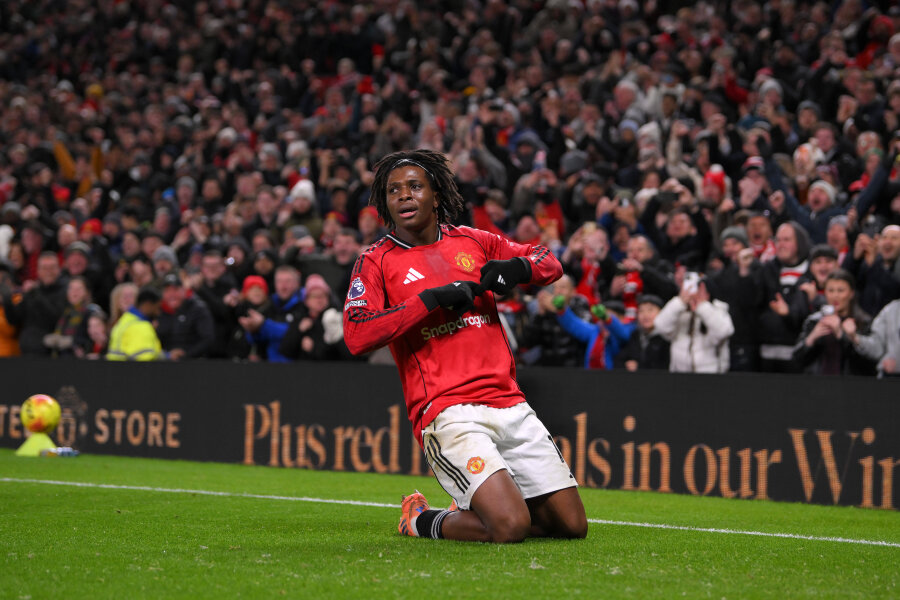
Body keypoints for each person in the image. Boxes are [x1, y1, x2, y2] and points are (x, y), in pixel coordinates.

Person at [343, 149, 586, 543]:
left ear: (436, 195)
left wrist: (518, 267)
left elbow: (549, 261)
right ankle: (420, 520)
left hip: (509, 403)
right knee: (510, 527)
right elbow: (356, 334)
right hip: (447, 411)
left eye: (415, 187)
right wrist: (430, 300)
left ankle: (485, 509)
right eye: (393, 190)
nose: (403, 195)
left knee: (572, 527)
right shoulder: (375, 261)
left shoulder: (473, 240)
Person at [792, 270, 875, 376]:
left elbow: (868, 364)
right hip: (817, 383)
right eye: (831, 290)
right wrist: (811, 338)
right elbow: (797, 361)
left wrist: (843, 335)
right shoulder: (814, 321)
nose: (835, 296)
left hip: (851, 384)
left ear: (851, 293)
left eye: (840, 291)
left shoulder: (863, 322)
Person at [654, 277, 734, 373]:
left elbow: (724, 331)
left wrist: (702, 306)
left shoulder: (718, 309)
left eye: (699, 291)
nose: (694, 294)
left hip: (711, 374)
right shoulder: (679, 310)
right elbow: (660, 326)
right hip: (680, 374)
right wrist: (679, 302)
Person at [156, 273, 215, 360]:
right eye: (167, 290)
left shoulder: (197, 309)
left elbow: (208, 339)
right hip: (165, 362)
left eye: (175, 289)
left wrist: (185, 356)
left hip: (194, 362)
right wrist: (166, 355)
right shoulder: (158, 311)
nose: (171, 294)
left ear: (183, 290)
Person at [106, 285, 165, 361]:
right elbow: (145, 360)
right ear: (148, 305)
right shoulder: (141, 326)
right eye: (157, 308)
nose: (158, 313)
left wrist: (167, 355)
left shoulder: (125, 320)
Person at [846, 298, 900, 377]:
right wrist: (854, 337)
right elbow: (877, 349)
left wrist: (898, 365)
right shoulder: (891, 310)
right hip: (891, 378)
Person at [615, 294, 670, 371]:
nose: (645, 315)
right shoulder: (635, 335)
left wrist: (639, 367)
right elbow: (620, 359)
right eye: (641, 311)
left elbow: (663, 366)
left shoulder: (666, 337)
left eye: (650, 310)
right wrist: (626, 365)